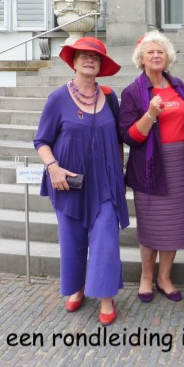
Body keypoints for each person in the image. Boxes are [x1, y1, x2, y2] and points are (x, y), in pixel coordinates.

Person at [34, 37, 130, 326]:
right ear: (73, 62)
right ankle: (76, 288)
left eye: (95, 57)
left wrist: (119, 176)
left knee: (105, 240)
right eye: (84, 56)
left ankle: (105, 296)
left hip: (105, 183)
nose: (89, 60)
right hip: (68, 182)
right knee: (72, 240)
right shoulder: (58, 98)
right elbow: (41, 140)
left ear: (101, 65)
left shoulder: (110, 98)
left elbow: (117, 140)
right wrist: (53, 168)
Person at [119, 32, 184, 304]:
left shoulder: (178, 85)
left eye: (160, 51)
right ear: (141, 58)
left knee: (175, 225)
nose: (155, 56)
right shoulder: (132, 92)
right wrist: (150, 114)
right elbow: (129, 137)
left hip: (181, 163)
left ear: (168, 57)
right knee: (152, 226)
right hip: (151, 166)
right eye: (150, 52)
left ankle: (164, 277)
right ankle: (146, 277)